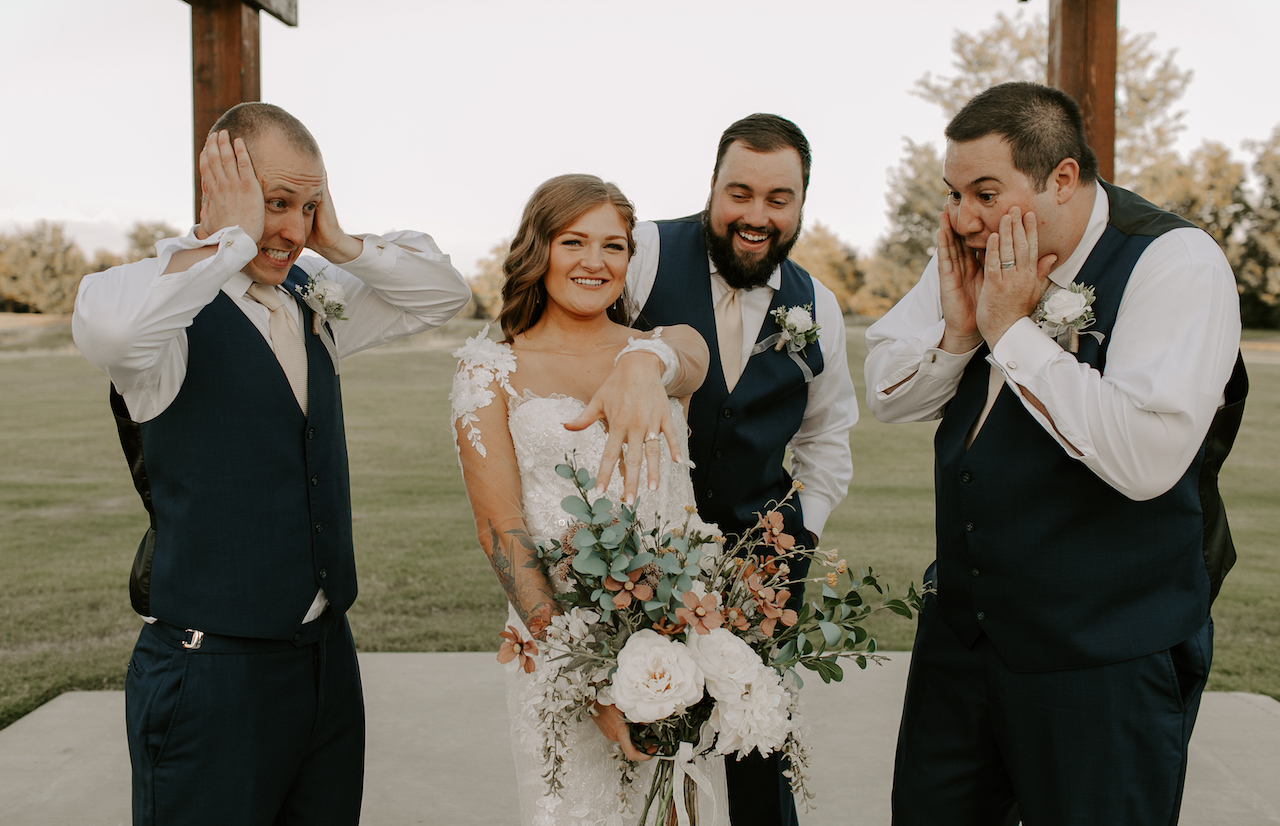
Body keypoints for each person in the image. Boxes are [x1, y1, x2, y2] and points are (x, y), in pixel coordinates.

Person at [72, 102, 470, 826]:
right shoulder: (156, 310)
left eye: (308, 206)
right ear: (220, 190)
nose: (293, 230)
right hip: (209, 675)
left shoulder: (311, 298)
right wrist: (225, 239)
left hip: (325, 663)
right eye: (274, 203)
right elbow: (116, 334)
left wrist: (339, 240)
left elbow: (444, 293)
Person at [864, 82, 1248, 826]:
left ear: (1062, 179)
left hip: (1103, 651)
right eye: (953, 192)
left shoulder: (1175, 264)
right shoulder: (976, 246)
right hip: (963, 635)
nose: (962, 217)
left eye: (984, 192)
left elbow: (1144, 458)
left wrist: (1013, 332)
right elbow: (887, 392)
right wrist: (960, 333)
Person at [450, 173, 723, 825]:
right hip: (560, 642)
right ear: (538, 249)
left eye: (614, 245)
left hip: (679, 633)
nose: (595, 262)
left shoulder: (658, 352)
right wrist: (591, 677)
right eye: (574, 241)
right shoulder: (490, 370)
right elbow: (501, 529)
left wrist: (639, 363)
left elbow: (693, 353)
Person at [625, 113, 859, 826]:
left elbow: (828, 440)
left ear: (800, 204)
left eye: (778, 199)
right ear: (712, 188)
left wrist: (795, 541)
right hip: (640, 561)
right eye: (740, 193)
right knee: (643, 747)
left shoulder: (817, 306)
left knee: (759, 753)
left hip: (761, 568)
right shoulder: (641, 254)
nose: (756, 216)